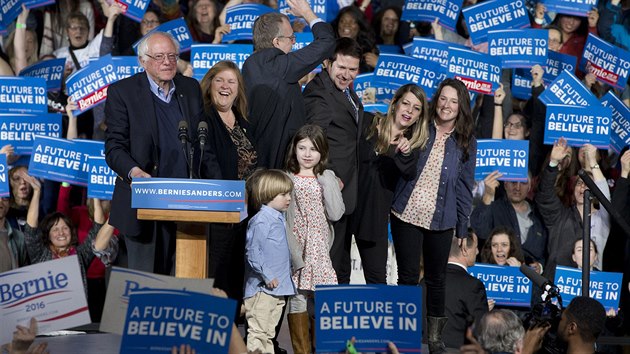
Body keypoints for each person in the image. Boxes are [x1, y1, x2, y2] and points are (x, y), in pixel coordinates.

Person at [105, 31, 221, 274]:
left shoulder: (189, 88)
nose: (167, 62)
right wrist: (134, 171)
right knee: (147, 285)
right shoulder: (122, 92)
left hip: (188, 203)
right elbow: (114, 147)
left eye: (171, 56)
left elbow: (204, 145)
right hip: (144, 205)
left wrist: (220, 190)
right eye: (159, 57)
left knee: (186, 282)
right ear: (142, 61)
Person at [390, 78, 477, 354]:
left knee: (437, 279)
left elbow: (465, 187)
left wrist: (463, 227)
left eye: (453, 101)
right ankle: (404, 334)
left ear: (460, 106)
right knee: (407, 276)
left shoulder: (465, 141)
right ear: (436, 100)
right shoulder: (420, 126)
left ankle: (436, 340)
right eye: (443, 99)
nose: (447, 105)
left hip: (442, 219)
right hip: (406, 212)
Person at [242, 0, 335, 169]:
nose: (293, 42)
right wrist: (307, 13)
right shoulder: (279, 65)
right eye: (291, 38)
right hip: (279, 168)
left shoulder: (249, 65)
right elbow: (327, 41)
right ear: (276, 42)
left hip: (255, 164)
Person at [353, 84, 426, 283]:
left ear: (420, 116)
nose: (409, 111)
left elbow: (409, 173)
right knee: (338, 274)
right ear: (395, 104)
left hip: (373, 219)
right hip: (347, 210)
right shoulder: (367, 122)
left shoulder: (412, 147)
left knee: (377, 282)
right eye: (406, 103)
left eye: (416, 108)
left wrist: (404, 153)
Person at [304, 37, 363, 284]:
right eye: (342, 68)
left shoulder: (344, 90)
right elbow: (312, 141)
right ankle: (320, 320)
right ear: (328, 63)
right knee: (328, 266)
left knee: (340, 264)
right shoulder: (319, 94)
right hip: (331, 191)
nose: (347, 75)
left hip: (348, 189)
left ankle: (336, 318)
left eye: (353, 69)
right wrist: (327, 175)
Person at [200, 60, 257, 309]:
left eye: (231, 81)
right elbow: (208, 162)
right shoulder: (204, 119)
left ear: (238, 88)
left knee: (237, 276)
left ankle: (233, 338)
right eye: (219, 80)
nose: (225, 86)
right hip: (217, 213)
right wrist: (231, 194)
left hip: (246, 213)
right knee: (217, 276)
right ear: (210, 84)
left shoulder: (245, 122)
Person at [284, 124, 345, 354]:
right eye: (302, 148)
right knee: (298, 298)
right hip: (297, 247)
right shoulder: (288, 177)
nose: (307, 154)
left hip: (319, 247)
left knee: (324, 298)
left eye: (313, 149)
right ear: (295, 149)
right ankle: (302, 350)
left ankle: (324, 348)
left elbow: (337, 213)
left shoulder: (327, 176)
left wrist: (327, 182)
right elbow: (285, 218)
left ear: (322, 153)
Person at [20, 171, 116, 294]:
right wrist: (37, 192)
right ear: (48, 235)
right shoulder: (40, 255)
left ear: (71, 231)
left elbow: (97, 226)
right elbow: (31, 230)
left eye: (65, 228)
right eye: (55, 229)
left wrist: (95, 193)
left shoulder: (80, 255)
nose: (61, 233)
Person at [536, 140, 610, 278]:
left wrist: (593, 161)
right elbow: (544, 196)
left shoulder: (604, 219)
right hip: (558, 284)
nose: (583, 187)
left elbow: (605, 196)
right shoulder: (559, 216)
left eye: (589, 184)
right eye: (580, 183)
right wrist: (552, 163)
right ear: (573, 188)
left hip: (593, 285)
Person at [244, 169, 296, 353]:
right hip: (263, 289)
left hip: (278, 288)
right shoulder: (261, 220)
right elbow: (252, 252)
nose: (288, 198)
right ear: (267, 194)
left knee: (268, 334)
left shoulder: (278, 218)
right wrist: (267, 275)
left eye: (289, 193)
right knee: (258, 333)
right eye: (283, 194)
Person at [471, 172, 547, 271]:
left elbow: (547, 249)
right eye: (513, 182)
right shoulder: (493, 208)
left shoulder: (539, 213)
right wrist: (488, 196)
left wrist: (540, 266)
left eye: (523, 183)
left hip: (529, 280)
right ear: (505, 184)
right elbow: (480, 231)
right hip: (498, 275)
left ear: (529, 186)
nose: (517, 187)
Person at [443, 231, 489, 349]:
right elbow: (481, 329)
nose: (477, 252)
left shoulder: (425, 280)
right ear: (464, 249)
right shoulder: (473, 285)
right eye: (476, 247)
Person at [0, 196, 29, 272]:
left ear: (9, 203)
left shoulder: (19, 237)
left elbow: (24, 273)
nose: (0, 201)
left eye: (5, 197)